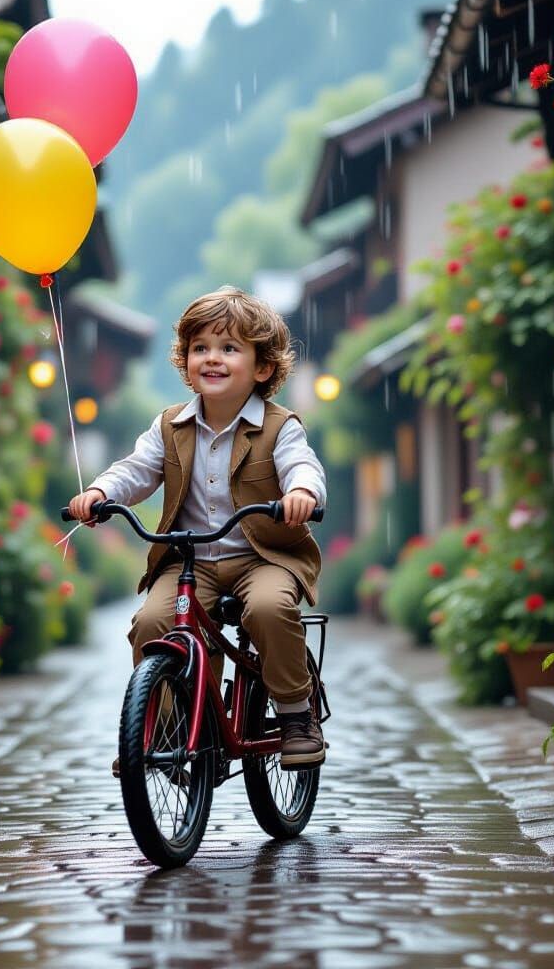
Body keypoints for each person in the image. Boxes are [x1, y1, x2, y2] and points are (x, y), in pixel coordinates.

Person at [67, 285, 327, 774]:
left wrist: (302, 495)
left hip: (263, 557)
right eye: (200, 348)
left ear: (263, 367)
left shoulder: (280, 426)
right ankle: (162, 728)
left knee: (271, 608)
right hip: (191, 563)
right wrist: (101, 493)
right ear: (184, 360)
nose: (213, 358)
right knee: (149, 624)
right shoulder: (170, 426)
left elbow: (302, 466)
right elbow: (137, 470)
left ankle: (296, 714)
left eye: (230, 349)